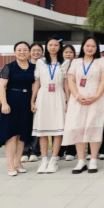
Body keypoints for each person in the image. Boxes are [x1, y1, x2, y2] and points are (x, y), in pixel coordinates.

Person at [63, 37, 104, 174]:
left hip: (96, 100)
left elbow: (103, 81)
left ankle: (93, 160)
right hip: (78, 100)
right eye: (87, 46)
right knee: (78, 128)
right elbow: (71, 81)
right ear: (83, 47)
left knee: (94, 128)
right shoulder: (76, 62)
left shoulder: (101, 62)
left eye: (93, 46)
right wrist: (77, 96)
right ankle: (81, 161)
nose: (90, 48)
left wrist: (96, 96)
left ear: (97, 48)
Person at [0, 42, 36, 176]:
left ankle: (18, 163)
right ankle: (10, 164)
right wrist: (4, 103)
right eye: (19, 50)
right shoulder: (9, 67)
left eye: (25, 50)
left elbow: (35, 85)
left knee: (22, 135)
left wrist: (33, 102)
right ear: (15, 52)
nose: (22, 52)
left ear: (29, 52)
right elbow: (2, 86)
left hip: (26, 102)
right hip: (11, 102)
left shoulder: (34, 67)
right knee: (12, 135)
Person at [30, 37, 68, 174]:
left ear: (60, 47)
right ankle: (44, 159)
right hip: (43, 96)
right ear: (46, 47)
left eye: (56, 45)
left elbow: (66, 83)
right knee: (43, 130)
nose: (53, 47)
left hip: (58, 96)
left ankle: (54, 160)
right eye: (50, 45)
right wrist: (32, 100)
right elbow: (37, 82)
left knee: (57, 130)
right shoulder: (41, 62)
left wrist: (68, 100)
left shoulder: (65, 62)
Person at [21, 43, 43, 163]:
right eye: (34, 50)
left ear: (42, 52)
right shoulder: (25, 65)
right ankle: (25, 150)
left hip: (41, 97)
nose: (36, 52)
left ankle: (35, 150)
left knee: (37, 123)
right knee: (25, 123)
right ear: (30, 52)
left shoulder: (45, 65)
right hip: (26, 97)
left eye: (38, 50)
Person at [58, 45, 77, 161]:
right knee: (59, 125)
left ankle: (71, 150)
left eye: (71, 52)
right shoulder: (58, 66)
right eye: (66, 52)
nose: (68, 54)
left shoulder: (78, 66)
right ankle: (59, 150)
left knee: (72, 125)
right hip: (59, 98)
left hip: (74, 99)